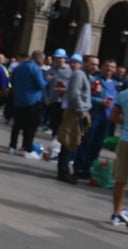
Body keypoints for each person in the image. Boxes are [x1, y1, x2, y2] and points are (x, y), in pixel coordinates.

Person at [56, 54, 90, 185]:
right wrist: (81, 110)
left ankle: (65, 169)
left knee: (72, 141)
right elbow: (75, 94)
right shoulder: (78, 74)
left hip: (76, 110)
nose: (72, 64)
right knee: (69, 140)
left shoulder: (81, 75)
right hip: (75, 112)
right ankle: (63, 171)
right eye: (92, 64)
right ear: (84, 63)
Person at [74, 55, 111, 180]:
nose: (109, 69)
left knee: (97, 145)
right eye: (107, 66)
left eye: (112, 67)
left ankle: (88, 167)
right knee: (86, 143)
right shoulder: (94, 80)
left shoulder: (116, 84)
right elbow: (88, 96)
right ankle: (79, 167)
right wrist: (100, 101)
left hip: (107, 119)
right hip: (94, 115)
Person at [8, 50, 48, 158]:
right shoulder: (35, 69)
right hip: (32, 101)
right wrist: (47, 80)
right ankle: (28, 148)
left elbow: (12, 81)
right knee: (30, 127)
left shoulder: (18, 67)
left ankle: (12, 146)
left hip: (18, 100)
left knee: (17, 125)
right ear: (39, 58)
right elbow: (40, 84)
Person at [108, 87, 128, 226]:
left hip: (125, 141)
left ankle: (116, 214)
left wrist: (125, 122)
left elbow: (113, 117)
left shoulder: (123, 94)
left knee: (120, 180)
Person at [44, 49, 72, 139]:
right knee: (54, 121)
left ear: (65, 59)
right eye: (56, 58)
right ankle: (55, 136)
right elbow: (45, 86)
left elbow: (73, 85)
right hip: (53, 100)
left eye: (60, 58)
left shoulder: (70, 71)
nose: (58, 60)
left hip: (65, 100)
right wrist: (46, 98)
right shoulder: (50, 71)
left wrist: (66, 90)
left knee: (62, 121)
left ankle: (59, 137)